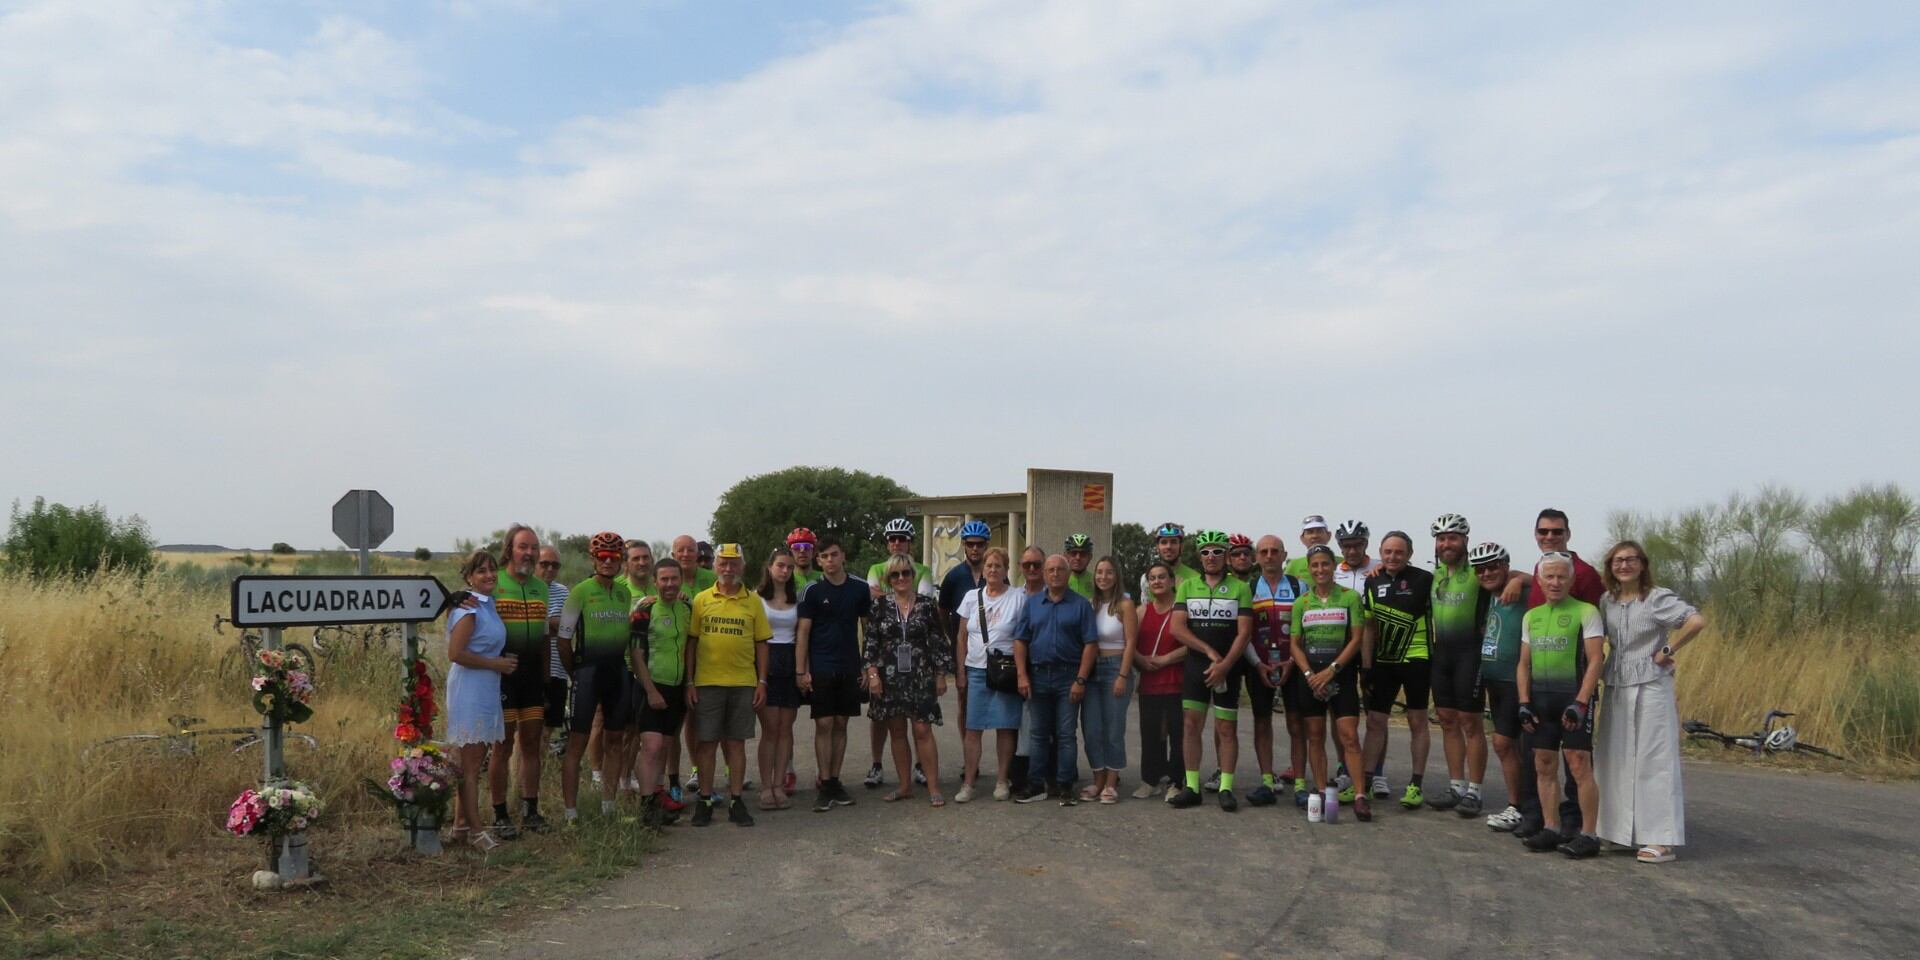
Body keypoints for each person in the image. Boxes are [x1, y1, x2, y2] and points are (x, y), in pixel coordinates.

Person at [1596, 540, 1707, 864]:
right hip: (1617, 682)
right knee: (1614, 757)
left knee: (1654, 758)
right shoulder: (1607, 601)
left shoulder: (1657, 598)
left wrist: (1668, 650)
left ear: (1642, 564)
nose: (1624, 565)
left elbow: (1695, 621)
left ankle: (1660, 839)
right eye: (1618, 560)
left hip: (1651, 685)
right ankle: (1619, 833)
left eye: (1631, 559)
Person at [1505, 508, 1599, 838]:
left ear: (1567, 533)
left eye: (1556, 531)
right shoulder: (1540, 570)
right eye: (1543, 532)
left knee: (1576, 760)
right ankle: (1544, 821)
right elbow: (1524, 657)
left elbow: (1594, 648)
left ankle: (1578, 825)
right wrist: (1519, 578)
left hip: (1573, 686)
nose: (1549, 537)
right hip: (1539, 686)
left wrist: (1583, 698)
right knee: (1540, 758)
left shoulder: (1585, 573)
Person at [1516, 553, 1607, 857]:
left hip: (1573, 698)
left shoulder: (1586, 612)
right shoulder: (1532, 616)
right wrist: (1524, 702)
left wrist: (1581, 702)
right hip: (1541, 700)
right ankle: (1551, 827)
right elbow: (1523, 664)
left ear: (1571, 580)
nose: (1555, 582)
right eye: (1549, 577)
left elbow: (1595, 659)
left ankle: (1590, 834)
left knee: (1579, 764)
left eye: (1561, 577)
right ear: (1539, 581)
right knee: (1544, 763)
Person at [1167, 531, 1256, 812]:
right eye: (1205, 552)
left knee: (1226, 728)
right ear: (1199, 556)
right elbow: (1177, 628)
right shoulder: (1188, 586)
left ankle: (1226, 787)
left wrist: (1226, 664)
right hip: (1196, 665)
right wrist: (1208, 652)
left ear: (1226, 557)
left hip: (1228, 667)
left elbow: (1244, 633)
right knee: (1191, 726)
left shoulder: (1240, 588)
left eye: (1217, 552)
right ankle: (1192, 786)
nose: (1211, 557)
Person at [686, 543, 772, 827]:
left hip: (742, 683)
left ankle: (736, 800)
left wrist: (761, 681)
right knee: (707, 743)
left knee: (736, 744)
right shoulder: (701, 599)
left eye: (734, 563)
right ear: (714, 566)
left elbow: (762, 644)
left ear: (742, 567)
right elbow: (692, 642)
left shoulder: (753, 601)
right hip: (707, 682)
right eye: (723, 562)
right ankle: (706, 799)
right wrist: (689, 681)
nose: (728, 568)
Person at [556, 532, 636, 822]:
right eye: (603, 557)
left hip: (617, 671)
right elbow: (563, 640)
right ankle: (570, 813)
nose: (608, 562)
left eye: (614, 557)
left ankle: (609, 807)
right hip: (587, 673)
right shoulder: (580, 591)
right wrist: (574, 673)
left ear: (621, 562)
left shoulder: (624, 593)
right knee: (577, 742)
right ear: (593, 559)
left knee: (615, 739)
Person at [865, 555, 955, 806]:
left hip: (921, 675)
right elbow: (871, 642)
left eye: (905, 573)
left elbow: (938, 641)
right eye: (895, 575)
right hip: (889, 677)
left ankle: (934, 787)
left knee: (923, 730)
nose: (901, 578)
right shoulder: (879, 607)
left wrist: (940, 674)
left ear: (913, 576)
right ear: (888, 580)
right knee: (896, 732)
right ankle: (904, 786)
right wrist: (872, 675)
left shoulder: (927, 605)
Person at [1289, 545, 1371, 820]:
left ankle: (1360, 795)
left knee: (1349, 735)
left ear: (1333, 566)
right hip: (1311, 679)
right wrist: (1310, 675)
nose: (1320, 570)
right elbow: (1295, 645)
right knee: (1315, 736)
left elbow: (1357, 639)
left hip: (1341, 675)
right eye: (1315, 565)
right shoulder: (1301, 602)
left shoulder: (1350, 597)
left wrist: (1332, 670)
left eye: (1325, 564)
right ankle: (1322, 790)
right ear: (1309, 569)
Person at [1012, 555, 1099, 805]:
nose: (1055, 574)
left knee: (1065, 734)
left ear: (1068, 573)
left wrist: (1080, 680)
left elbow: (1091, 644)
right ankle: (1037, 784)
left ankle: (1065, 786)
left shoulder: (1081, 605)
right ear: (1045, 574)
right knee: (1037, 733)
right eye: (1050, 570)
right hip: (1038, 675)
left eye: (1060, 569)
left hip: (1068, 677)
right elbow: (1020, 640)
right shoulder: (1032, 605)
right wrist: (1021, 675)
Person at [795, 536, 872, 813]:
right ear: (818, 560)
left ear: (843, 557)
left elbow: (868, 629)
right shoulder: (811, 591)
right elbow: (802, 633)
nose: (829, 560)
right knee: (824, 724)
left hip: (850, 666)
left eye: (834, 555)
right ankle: (824, 781)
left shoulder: (859, 588)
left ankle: (835, 781)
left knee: (841, 723)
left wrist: (867, 665)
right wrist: (801, 671)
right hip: (821, 666)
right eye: (824, 556)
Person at [446, 549, 516, 848]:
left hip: (486, 687)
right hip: (470, 688)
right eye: (481, 571)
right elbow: (456, 654)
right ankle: (476, 831)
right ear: (469, 577)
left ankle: (460, 827)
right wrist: (495, 664)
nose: (488, 575)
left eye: (491, 569)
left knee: (473, 759)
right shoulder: (469, 610)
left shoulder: (488, 606)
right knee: (471, 764)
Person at [1361, 530, 1435, 810]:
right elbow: (1369, 627)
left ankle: (1415, 784)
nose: (1393, 557)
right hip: (1383, 663)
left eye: (1399, 552)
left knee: (1417, 721)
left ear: (1410, 554)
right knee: (1375, 722)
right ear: (1381, 552)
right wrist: (1366, 666)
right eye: (1388, 552)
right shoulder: (1372, 581)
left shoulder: (1424, 579)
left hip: (1417, 660)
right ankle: (1365, 783)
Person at [864, 517, 935, 789]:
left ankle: (919, 766)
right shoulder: (875, 567)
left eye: (901, 538)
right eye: (891, 538)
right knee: (881, 715)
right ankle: (876, 764)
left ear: (910, 542)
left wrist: (890, 594)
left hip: (915, 652)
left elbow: (923, 602)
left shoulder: (924, 569)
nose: (896, 543)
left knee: (918, 719)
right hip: (884, 649)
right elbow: (875, 599)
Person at [490, 524, 549, 836]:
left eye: (533, 548)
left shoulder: (541, 588)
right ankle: (500, 814)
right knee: (502, 746)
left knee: (531, 744)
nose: (529, 552)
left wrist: (547, 678)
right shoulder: (493, 582)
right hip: (501, 675)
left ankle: (531, 809)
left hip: (531, 676)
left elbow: (543, 639)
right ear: (509, 550)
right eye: (523, 546)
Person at [1467, 543, 1531, 832]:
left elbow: (1546, 579)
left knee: (1505, 744)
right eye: (1481, 569)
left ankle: (1518, 807)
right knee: (1511, 745)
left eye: (1494, 566)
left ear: (1506, 566)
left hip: (1515, 679)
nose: (1487, 573)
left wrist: (1519, 579)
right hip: (1493, 678)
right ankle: (1521, 805)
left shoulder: (1523, 591)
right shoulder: (1484, 596)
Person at [1426, 513, 1482, 812]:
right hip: (1442, 654)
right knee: (1447, 720)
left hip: (1470, 654)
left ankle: (1475, 790)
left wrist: (1520, 580)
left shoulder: (1478, 573)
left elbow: (1512, 577)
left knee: (1470, 722)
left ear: (1465, 541)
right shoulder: (1433, 575)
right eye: (1442, 538)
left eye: (1453, 538)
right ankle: (1456, 785)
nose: (1447, 543)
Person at [1245, 535, 1305, 806]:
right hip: (1259, 664)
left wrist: (1293, 662)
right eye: (1263, 551)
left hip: (1292, 663)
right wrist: (1258, 664)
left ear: (1284, 555)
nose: (1269, 556)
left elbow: (1306, 629)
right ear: (1257, 557)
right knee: (1262, 723)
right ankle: (1267, 781)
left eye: (1274, 551)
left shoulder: (1299, 586)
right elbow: (1243, 633)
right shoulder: (1247, 587)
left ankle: (1301, 783)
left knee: (1296, 724)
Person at [631, 558, 692, 824]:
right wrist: (651, 690)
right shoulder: (644, 611)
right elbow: (636, 655)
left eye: (674, 578)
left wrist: (689, 683)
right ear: (655, 582)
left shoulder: (687, 607)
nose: (669, 584)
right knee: (652, 746)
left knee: (666, 744)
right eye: (664, 579)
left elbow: (691, 647)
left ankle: (657, 796)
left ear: (681, 580)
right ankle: (646, 807)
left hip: (678, 687)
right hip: (651, 685)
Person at [1079, 557, 1137, 803]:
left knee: (1113, 729)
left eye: (1109, 572)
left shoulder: (1125, 605)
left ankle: (1112, 782)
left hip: (1115, 667)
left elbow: (1131, 642)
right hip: (1092, 670)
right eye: (1100, 572)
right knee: (1091, 729)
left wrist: (1123, 675)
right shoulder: (1089, 604)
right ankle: (1098, 779)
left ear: (1116, 576)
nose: (1103, 577)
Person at [1330, 519, 1382, 795]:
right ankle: (1343, 767)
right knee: (1340, 715)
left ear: (1366, 544)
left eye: (1357, 545)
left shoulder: (1378, 568)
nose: (1351, 550)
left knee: (1375, 714)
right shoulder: (1333, 571)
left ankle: (1377, 771)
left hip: (1373, 648)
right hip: (1341, 650)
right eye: (1346, 546)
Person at [1131, 561, 1186, 799]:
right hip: (1150, 683)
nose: (1157, 581)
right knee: (1150, 732)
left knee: (1178, 733)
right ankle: (1150, 779)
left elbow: (1190, 645)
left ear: (1172, 581)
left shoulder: (1182, 610)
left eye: (1162, 577)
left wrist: (1166, 659)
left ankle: (1176, 781)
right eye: (1152, 578)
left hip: (1177, 680)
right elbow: (1127, 643)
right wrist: (1140, 659)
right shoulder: (1141, 611)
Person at [755, 548, 803, 810]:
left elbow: (803, 634)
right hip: (766, 662)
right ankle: (765, 786)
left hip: (790, 662)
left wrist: (802, 669)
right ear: (770, 567)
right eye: (781, 566)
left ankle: (778, 784)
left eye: (789, 567)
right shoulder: (756, 598)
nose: (785, 571)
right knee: (770, 729)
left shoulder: (798, 598)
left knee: (786, 729)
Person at [939, 521, 992, 751]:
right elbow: (942, 610)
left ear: (986, 545)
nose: (975, 549)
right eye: (970, 544)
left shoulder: (994, 572)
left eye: (979, 545)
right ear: (964, 545)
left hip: (991, 649)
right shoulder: (953, 577)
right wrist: (951, 636)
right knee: (965, 700)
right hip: (963, 646)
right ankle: (968, 752)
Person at [670, 534, 717, 793]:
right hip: (675, 656)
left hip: (708, 655)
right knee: (682, 720)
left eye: (691, 550)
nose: (686, 555)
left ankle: (710, 771)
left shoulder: (710, 579)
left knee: (706, 717)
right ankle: (689, 773)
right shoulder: (667, 579)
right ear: (674, 553)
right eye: (681, 550)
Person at [537, 546, 571, 762]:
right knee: (528, 733)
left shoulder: (563, 592)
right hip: (534, 669)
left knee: (548, 729)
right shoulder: (525, 589)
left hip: (558, 668)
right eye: (544, 564)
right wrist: (551, 624)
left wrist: (548, 624)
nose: (550, 569)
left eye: (555, 565)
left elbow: (568, 626)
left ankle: (534, 782)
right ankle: (520, 786)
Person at [1140, 522, 1199, 598]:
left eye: (1173, 542)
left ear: (1181, 546)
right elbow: (1146, 608)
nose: (1168, 546)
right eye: (1164, 542)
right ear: (1157, 547)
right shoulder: (1146, 579)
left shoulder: (1195, 579)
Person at [1283, 516, 1332, 580]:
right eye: (1310, 532)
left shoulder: (1342, 563)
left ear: (1329, 535)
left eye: (1319, 531)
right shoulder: (1294, 565)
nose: (1315, 536)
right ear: (1302, 538)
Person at [787, 528, 822, 593]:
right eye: (796, 547)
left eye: (807, 546)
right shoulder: (784, 579)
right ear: (790, 552)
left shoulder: (826, 578)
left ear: (814, 552)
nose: (802, 551)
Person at [1065, 534, 1096, 598]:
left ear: (1090, 557)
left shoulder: (1096, 581)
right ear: (1066, 556)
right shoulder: (1060, 580)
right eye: (1073, 553)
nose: (1078, 558)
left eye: (1083, 554)